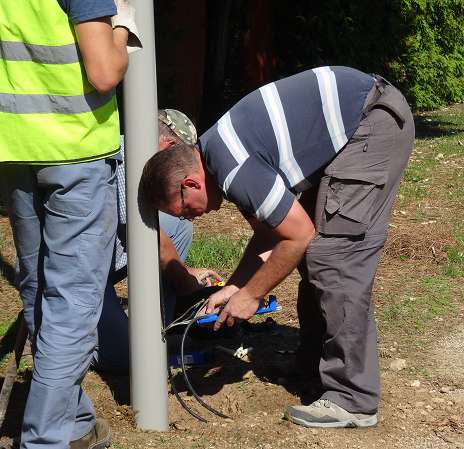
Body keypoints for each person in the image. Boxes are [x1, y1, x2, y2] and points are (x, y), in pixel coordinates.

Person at [140, 66, 415, 428]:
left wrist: (251, 295)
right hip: (357, 123)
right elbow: (270, 235)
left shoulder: (234, 167)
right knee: (317, 258)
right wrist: (235, 286)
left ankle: (353, 399)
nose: (191, 219)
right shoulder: (215, 157)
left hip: (371, 123)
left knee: (334, 259)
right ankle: (315, 368)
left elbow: (297, 235)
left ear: (191, 184)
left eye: (183, 211)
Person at [0, 1, 139, 448]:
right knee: (73, 305)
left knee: (39, 290)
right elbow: (103, 72)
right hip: (74, 150)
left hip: (16, 147)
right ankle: (46, 440)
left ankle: (74, 421)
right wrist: (123, 29)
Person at [92, 109, 220, 374]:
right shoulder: (129, 159)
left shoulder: (141, 157)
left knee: (179, 224)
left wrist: (185, 274)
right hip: (85, 273)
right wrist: (186, 282)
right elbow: (152, 238)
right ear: (170, 146)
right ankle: (87, 348)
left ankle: (159, 326)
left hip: (105, 255)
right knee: (132, 361)